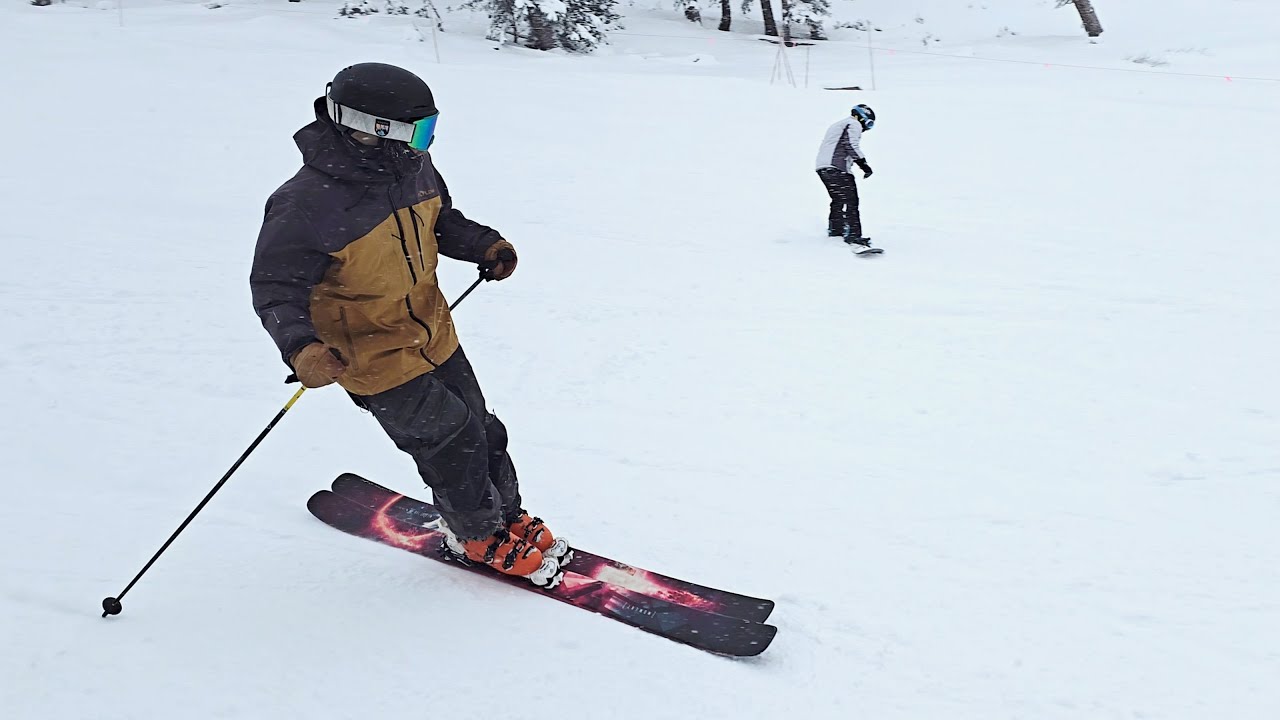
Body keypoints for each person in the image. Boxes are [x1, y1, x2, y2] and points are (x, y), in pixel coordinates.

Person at [250, 63, 566, 586]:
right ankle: (477, 533)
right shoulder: (306, 203)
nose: (424, 143)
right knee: (451, 439)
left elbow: (440, 221)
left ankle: (505, 516)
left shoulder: (412, 168)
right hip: (369, 354)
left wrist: (483, 244)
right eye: (416, 132)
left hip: (432, 331)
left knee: (482, 428)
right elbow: (275, 287)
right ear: (372, 129)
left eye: (428, 131)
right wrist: (302, 348)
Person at [815, 104, 876, 248]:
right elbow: (850, 144)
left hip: (823, 167)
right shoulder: (853, 123)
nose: (867, 128)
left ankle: (836, 229)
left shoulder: (839, 124)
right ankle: (854, 235)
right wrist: (863, 164)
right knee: (851, 201)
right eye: (869, 124)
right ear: (862, 117)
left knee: (838, 199)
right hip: (837, 168)